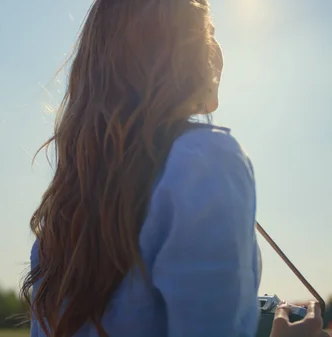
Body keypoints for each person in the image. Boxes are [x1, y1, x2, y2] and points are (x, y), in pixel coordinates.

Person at [20, 0, 328, 336]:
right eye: (209, 31)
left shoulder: (61, 220)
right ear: (186, 56)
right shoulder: (206, 164)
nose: (218, 48)